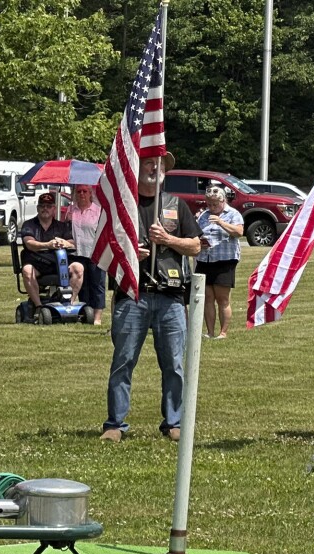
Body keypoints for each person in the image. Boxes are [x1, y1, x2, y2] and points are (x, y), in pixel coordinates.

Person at [101, 152, 202, 443]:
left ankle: (173, 422)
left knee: (174, 364)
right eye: (149, 163)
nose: (155, 168)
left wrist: (168, 240)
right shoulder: (124, 207)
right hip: (132, 295)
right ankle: (115, 424)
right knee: (123, 361)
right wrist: (129, 252)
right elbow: (105, 248)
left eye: (160, 165)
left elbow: (195, 246)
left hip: (170, 298)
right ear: (138, 168)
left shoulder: (175, 205)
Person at [194, 185, 244, 339]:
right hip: (204, 259)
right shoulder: (204, 215)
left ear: (223, 201)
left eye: (215, 204)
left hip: (224, 260)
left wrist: (220, 222)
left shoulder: (233, 214)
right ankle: (209, 332)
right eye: (209, 204)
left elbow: (239, 232)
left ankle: (223, 332)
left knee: (222, 298)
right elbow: (196, 231)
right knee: (207, 298)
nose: (212, 207)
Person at [18, 191, 83, 309]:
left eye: (49, 206)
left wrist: (65, 243)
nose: (45, 209)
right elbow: (29, 243)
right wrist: (48, 245)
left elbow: (73, 243)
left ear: (54, 209)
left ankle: (69, 303)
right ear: (37, 208)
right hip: (37, 264)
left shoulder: (62, 226)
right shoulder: (29, 225)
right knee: (27, 270)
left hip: (58, 265)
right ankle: (39, 307)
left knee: (78, 268)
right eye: (42, 206)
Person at [68, 183, 105, 325]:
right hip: (76, 253)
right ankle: (85, 313)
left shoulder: (98, 211)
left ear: (90, 193)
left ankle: (97, 317)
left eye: (84, 191)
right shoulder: (71, 210)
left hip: (94, 252)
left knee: (97, 285)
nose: (81, 194)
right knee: (82, 285)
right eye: (79, 191)